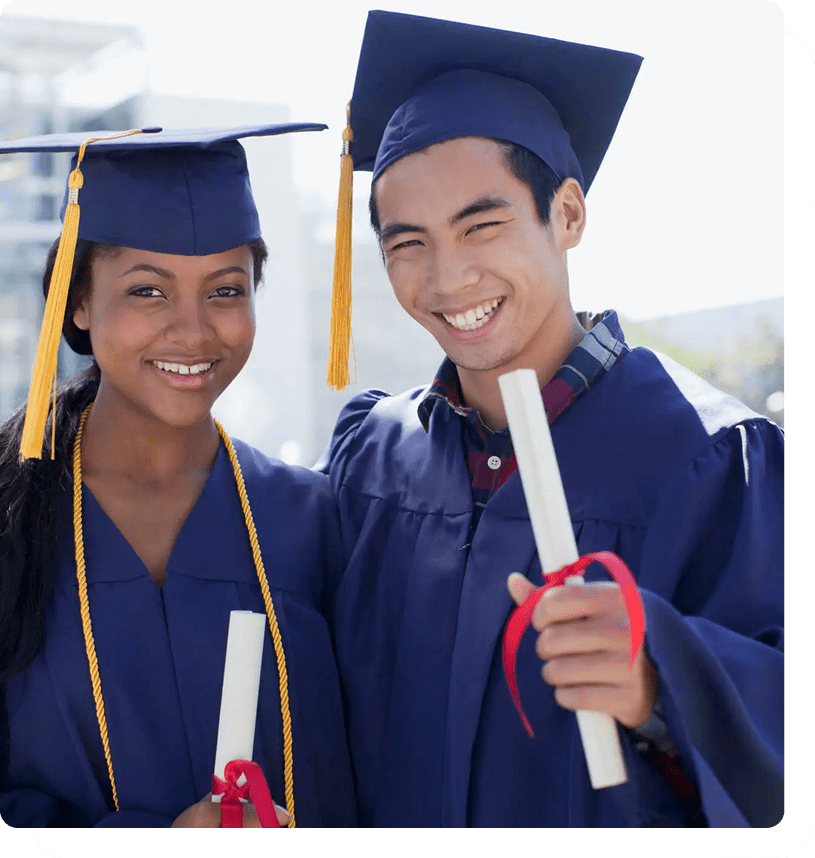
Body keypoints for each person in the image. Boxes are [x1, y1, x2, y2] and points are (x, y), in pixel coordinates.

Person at [319, 11, 784, 828]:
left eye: (482, 225)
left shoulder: (712, 459)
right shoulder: (372, 458)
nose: (448, 276)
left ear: (566, 214)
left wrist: (663, 684)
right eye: (407, 243)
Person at [0, 126, 356, 828]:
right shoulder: (7, 512)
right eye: (148, 292)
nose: (193, 331)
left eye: (225, 289)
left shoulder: (313, 520)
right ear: (78, 302)